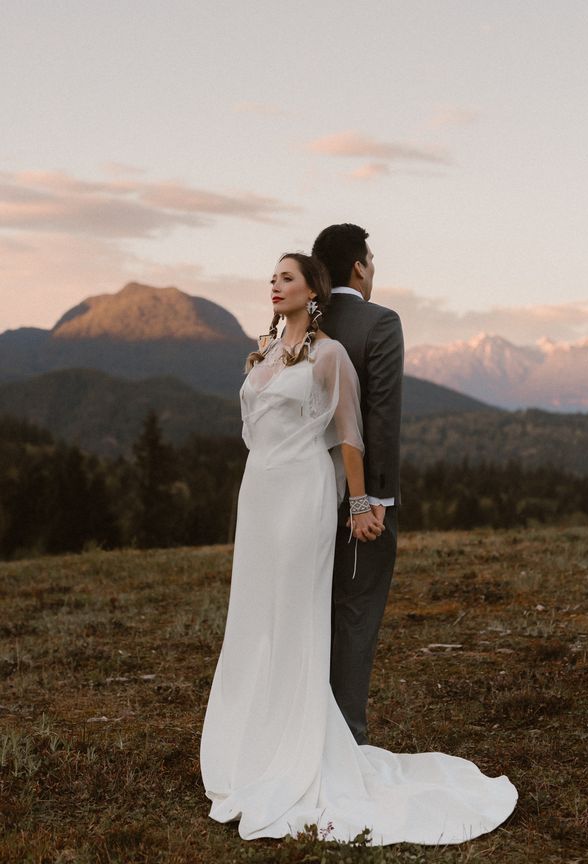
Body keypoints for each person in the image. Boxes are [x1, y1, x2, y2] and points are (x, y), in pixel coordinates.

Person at [199, 251, 517, 845]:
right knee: (254, 615)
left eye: (286, 277)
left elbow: (350, 434)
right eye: (271, 278)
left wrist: (363, 502)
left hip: (302, 494)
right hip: (260, 494)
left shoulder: (330, 355)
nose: (274, 285)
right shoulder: (264, 352)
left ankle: (298, 753)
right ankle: (253, 743)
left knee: (294, 616)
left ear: (314, 288)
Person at [311, 223, 403, 746]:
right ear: (358, 268)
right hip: (358, 499)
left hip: (301, 493)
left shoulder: (297, 326)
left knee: (310, 610)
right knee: (356, 612)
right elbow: (380, 418)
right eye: (371, 261)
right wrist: (374, 501)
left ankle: (303, 731)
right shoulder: (380, 322)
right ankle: (345, 741)